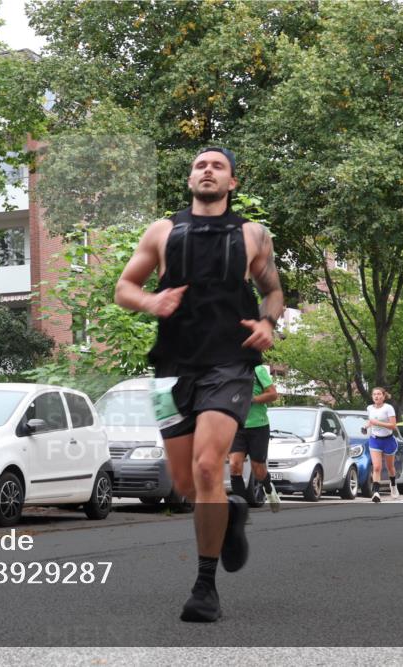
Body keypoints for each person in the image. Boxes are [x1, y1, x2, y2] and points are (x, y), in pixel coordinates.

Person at [115, 146, 284, 623]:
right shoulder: (162, 232)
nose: (206, 170)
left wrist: (268, 324)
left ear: (232, 182)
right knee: (189, 483)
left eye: (217, 166)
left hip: (229, 363)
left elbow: (273, 291)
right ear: (190, 178)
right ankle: (228, 513)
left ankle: (204, 587)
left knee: (209, 466)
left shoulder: (254, 235)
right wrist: (151, 303)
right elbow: (125, 287)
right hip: (171, 368)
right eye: (199, 165)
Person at [229, 363, 282, 512]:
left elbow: (273, 394)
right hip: (237, 426)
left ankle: (268, 488)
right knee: (234, 465)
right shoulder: (227, 371)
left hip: (258, 426)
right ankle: (240, 511)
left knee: (258, 470)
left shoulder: (257, 370)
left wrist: (252, 400)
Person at [364, 387, 398, 503]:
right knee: (377, 467)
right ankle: (376, 493)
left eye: (379, 394)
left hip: (388, 440)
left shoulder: (388, 408)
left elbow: (393, 426)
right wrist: (365, 426)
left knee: (390, 467)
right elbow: (370, 421)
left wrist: (377, 423)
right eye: (374, 394)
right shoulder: (369, 408)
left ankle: (393, 485)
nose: (376, 396)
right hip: (375, 440)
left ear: (383, 396)